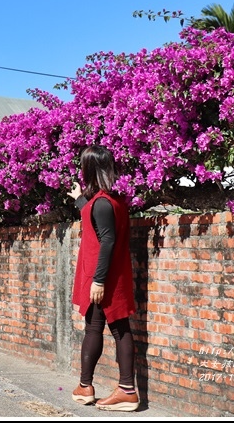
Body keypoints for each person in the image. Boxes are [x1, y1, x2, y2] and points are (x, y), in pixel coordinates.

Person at [69, 145, 139, 412]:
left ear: (90, 169)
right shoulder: (111, 201)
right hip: (113, 274)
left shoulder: (101, 203)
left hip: (103, 277)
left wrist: (98, 280)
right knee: (115, 328)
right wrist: (79, 200)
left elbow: (106, 240)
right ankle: (99, 388)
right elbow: (96, 218)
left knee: (103, 329)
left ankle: (111, 389)